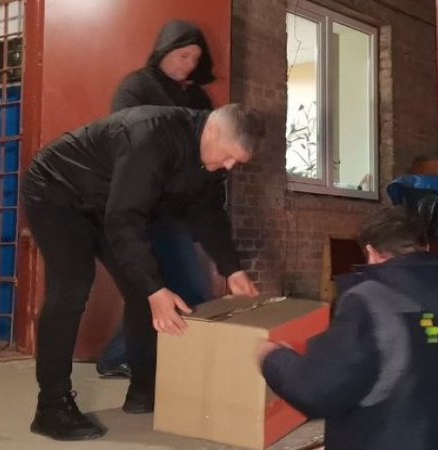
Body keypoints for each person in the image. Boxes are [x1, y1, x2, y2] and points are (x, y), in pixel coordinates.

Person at [23, 103, 265, 440]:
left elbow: (209, 215)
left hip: (107, 202)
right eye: (228, 156)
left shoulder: (210, 162)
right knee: (73, 286)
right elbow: (124, 219)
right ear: (213, 130)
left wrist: (232, 269)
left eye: (236, 162)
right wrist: (155, 289)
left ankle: (143, 389)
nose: (228, 166)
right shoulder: (151, 137)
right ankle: (51, 406)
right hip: (56, 189)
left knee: (142, 288)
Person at [257, 206, 438, 450]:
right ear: (424, 247)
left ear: (371, 252)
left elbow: (318, 390)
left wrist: (272, 358)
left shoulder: (373, 299)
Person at [97, 20, 218, 378]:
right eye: (183, 55)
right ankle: (120, 357)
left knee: (186, 290)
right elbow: (123, 138)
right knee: (170, 289)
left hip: (175, 209)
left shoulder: (197, 98)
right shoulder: (137, 87)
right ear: (164, 51)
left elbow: (209, 146)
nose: (189, 64)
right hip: (138, 204)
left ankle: (119, 357)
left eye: (195, 59)